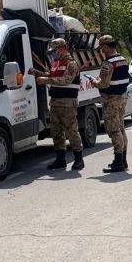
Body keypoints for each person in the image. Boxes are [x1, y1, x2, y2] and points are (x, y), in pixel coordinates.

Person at [29, 38, 84, 171]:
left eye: (55, 51)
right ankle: (60, 159)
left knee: (71, 131)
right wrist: (37, 73)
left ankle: (78, 159)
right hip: (55, 102)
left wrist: (46, 80)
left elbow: (66, 80)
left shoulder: (71, 64)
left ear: (62, 48)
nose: (53, 54)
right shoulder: (56, 62)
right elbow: (51, 74)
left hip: (67, 102)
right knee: (56, 132)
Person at [87, 35, 130, 173]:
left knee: (114, 130)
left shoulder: (108, 63)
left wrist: (94, 81)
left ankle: (118, 162)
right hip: (122, 97)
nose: (101, 50)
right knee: (120, 128)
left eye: (101, 48)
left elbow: (103, 84)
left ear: (105, 47)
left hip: (111, 99)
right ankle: (122, 160)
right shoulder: (123, 60)